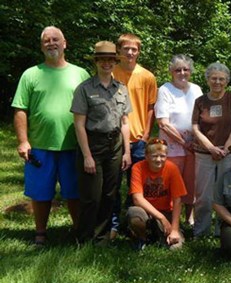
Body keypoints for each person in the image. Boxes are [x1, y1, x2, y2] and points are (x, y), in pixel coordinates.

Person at [11, 26, 90, 246]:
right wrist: (23, 141)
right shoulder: (31, 74)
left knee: (74, 191)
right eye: (47, 40)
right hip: (40, 145)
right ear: (41, 46)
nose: (51, 43)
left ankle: (78, 231)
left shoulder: (80, 73)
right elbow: (20, 109)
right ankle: (40, 233)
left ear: (65, 44)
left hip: (73, 145)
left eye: (56, 39)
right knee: (40, 192)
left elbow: (90, 108)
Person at [71, 41, 131, 243]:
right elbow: (79, 125)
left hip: (114, 145)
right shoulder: (85, 89)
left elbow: (124, 122)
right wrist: (87, 155)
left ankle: (102, 236)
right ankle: (84, 238)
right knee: (92, 196)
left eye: (111, 60)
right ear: (96, 62)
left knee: (109, 194)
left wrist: (127, 152)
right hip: (93, 145)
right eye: (102, 60)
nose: (107, 63)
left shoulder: (121, 89)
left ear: (115, 61)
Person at [112, 33, 158, 238]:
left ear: (139, 52)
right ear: (118, 51)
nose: (130, 52)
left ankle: (134, 223)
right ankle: (112, 223)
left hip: (138, 138)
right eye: (126, 49)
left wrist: (147, 133)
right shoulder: (110, 72)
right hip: (113, 137)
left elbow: (151, 107)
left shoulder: (147, 76)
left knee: (136, 184)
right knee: (112, 183)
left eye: (134, 49)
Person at [192, 62, 231, 237]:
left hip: (228, 154)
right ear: (207, 80)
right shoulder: (200, 102)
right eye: (214, 78)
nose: (217, 82)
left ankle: (222, 231)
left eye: (221, 79)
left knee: (226, 193)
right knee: (203, 196)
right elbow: (195, 128)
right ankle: (201, 231)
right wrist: (211, 148)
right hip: (204, 154)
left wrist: (227, 148)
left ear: (227, 81)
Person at [154, 54, 203, 226]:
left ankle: (189, 219)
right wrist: (184, 143)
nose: (182, 73)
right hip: (173, 146)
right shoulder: (165, 90)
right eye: (178, 70)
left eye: (186, 69)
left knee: (191, 183)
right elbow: (163, 123)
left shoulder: (196, 89)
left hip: (194, 145)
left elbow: (203, 116)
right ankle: (168, 219)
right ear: (171, 72)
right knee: (172, 183)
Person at [127, 138, 186, 250]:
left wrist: (174, 229)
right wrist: (161, 218)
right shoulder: (137, 168)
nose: (159, 160)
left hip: (166, 211)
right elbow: (137, 199)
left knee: (175, 248)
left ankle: (156, 235)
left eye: (162, 156)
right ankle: (141, 238)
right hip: (145, 211)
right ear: (146, 156)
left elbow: (177, 200)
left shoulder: (172, 168)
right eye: (154, 156)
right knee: (134, 215)